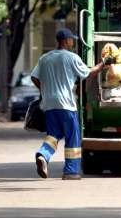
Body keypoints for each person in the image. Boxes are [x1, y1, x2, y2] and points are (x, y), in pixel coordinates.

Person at [31, 28, 107, 180]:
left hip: (49, 104)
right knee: (72, 137)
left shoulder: (44, 58)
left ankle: (43, 155)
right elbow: (87, 73)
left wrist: (45, 90)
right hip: (66, 104)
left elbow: (34, 77)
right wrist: (103, 64)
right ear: (66, 41)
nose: (73, 42)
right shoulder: (72, 57)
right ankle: (71, 171)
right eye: (71, 39)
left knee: (53, 135)